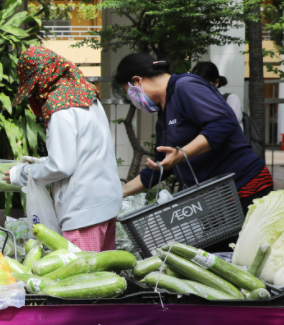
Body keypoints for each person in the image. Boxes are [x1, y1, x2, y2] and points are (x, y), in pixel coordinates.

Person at [115, 53, 274, 218]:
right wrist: (120, 192)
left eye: (129, 92)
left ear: (137, 81)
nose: (132, 99)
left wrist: (182, 154)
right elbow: (163, 165)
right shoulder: (164, 112)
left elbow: (223, 124)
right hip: (211, 198)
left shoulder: (186, 86)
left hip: (243, 186)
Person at [4, 47, 122, 252]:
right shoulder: (86, 95)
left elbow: (61, 166)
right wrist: (42, 163)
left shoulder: (60, 107)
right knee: (103, 276)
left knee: (82, 278)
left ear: (40, 82)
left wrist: (22, 173)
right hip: (106, 204)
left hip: (83, 214)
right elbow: (84, 152)